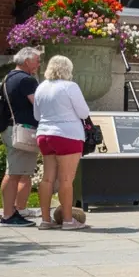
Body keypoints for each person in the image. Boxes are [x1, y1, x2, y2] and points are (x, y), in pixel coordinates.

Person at [33, 55, 90, 231]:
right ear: (68, 69)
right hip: (67, 135)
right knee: (66, 180)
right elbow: (84, 112)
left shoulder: (41, 87)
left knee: (47, 178)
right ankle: (67, 220)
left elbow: (36, 115)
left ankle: (45, 220)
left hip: (44, 134)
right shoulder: (70, 86)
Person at [0, 47, 41, 227]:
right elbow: (38, 105)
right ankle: (8, 215)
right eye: (37, 61)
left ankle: (15, 211)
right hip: (21, 131)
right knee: (14, 173)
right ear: (27, 61)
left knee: (19, 172)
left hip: (11, 129)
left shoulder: (9, 77)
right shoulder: (26, 80)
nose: (38, 64)